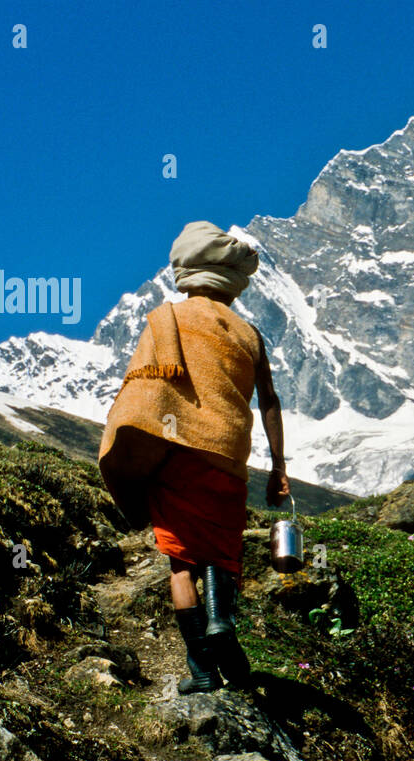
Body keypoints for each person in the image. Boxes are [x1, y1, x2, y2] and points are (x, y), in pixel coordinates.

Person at [98, 220, 291, 693]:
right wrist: (279, 467)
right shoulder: (249, 334)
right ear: (230, 283)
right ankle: (221, 618)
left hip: (178, 453)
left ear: (188, 274)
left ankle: (201, 669)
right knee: (221, 553)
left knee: (181, 563)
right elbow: (269, 401)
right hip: (229, 455)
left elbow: (143, 391)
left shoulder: (166, 319)